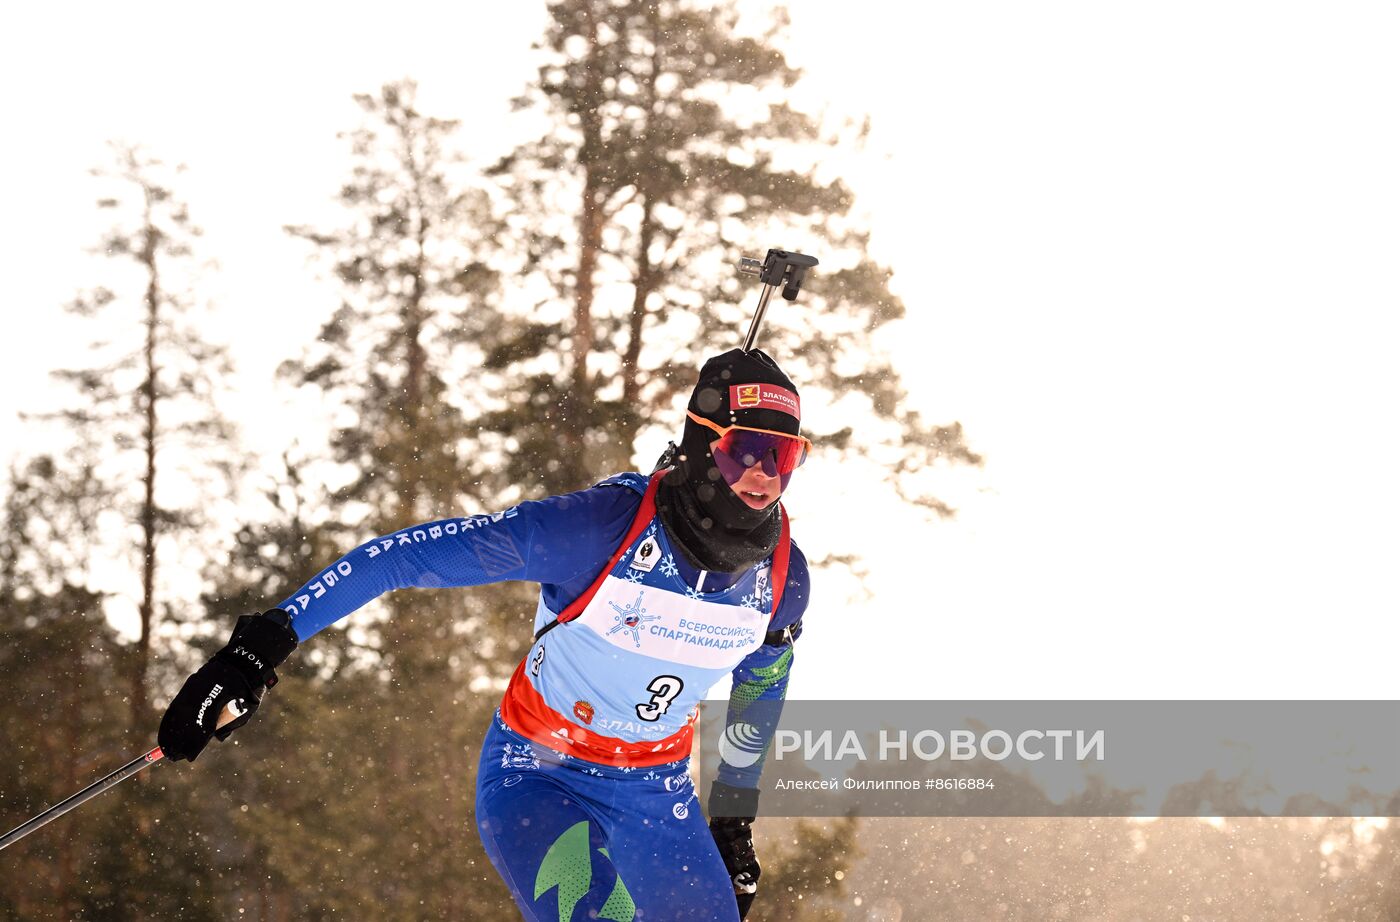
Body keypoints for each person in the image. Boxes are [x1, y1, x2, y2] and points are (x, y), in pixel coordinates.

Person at [158, 348, 812, 922]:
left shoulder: (782, 578)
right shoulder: (594, 530)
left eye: (782, 459)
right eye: (744, 453)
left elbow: (762, 683)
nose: (762, 479)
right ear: (701, 448)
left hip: (657, 788)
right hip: (540, 774)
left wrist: (732, 820)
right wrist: (256, 651)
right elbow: (402, 558)